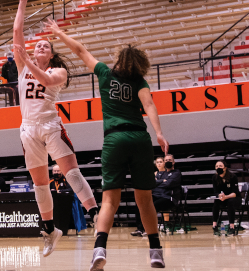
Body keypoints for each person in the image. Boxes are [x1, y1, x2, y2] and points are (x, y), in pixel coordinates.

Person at [45, 18, 169, 269]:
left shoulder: (104, 72)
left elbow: (80, 50)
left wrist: (59, 33)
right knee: (144, 199)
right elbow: (149, 106)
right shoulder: (140, 83)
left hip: (114, 140)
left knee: (110, 201)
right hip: (139, 137)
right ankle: (155, 251)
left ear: (120, 60)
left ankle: (99, 249)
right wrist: (159, 133)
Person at [12, 0, 100, 258]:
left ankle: (96, 215)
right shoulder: (22, 65)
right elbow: (17, 30)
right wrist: (22, 1)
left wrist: (27, 61)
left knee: (71, 173)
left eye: (45, 46)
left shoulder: (57, 71)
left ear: (50, 55)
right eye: (37, 45)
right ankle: (50, 230)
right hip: (28, 128)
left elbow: (47, 82)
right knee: (40, 184)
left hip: (50, 124)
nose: (40, 46)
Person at [131, 157, 165, 237]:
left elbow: (166, 184)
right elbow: (151, 184)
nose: (159, 164)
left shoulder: (167, 173)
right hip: (153, 194)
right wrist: (160, 181)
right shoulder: (153, 174)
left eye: (160, 162)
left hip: (162, 195)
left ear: (164, 163)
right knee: (139, 204)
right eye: (157, 162)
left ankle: (148, 229)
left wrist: (157, 182)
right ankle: (140, 229)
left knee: (149, 206)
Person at [212, 161, 240, 236]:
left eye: (220, 166)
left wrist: (226, 197)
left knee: (230, 202)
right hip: (223, 198)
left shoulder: (233, 177)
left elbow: (235, 193)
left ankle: (232, 227)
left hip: (234, 198)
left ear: (225, 168)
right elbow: (215, 192)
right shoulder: (215, 178)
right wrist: (219, 195)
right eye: (217, 166)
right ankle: (214, 226)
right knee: (216, 202)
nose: (218, 167)